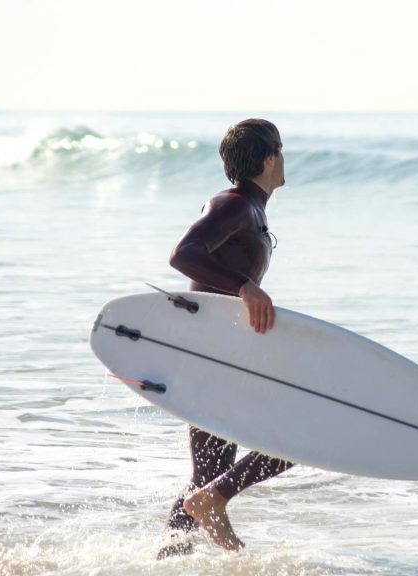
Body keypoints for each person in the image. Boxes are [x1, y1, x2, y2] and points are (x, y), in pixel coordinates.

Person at [159, 119, 292, 555]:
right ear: (269, 159)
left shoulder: (250, 208)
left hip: (216, 351)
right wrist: (245, 286)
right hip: (211, 352)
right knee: (295, 434)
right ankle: (213, 500)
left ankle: (166, 559)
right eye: (282, 151)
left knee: (209, 470)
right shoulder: (233, 204)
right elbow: (184, 254)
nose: (285, 159)